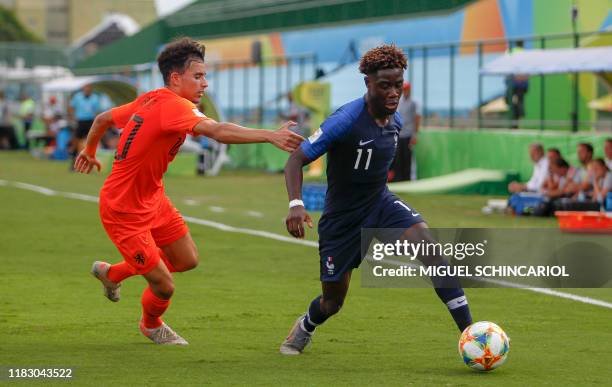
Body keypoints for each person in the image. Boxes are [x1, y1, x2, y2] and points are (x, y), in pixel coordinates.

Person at [74, 37, 303, 345]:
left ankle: (112, 274)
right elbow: (218, 131)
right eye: (198, 76)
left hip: (153, 199)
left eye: (204, 76)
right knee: (164, 286)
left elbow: (103, 120)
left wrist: (89, 151)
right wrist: (269, 136)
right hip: (123, 211)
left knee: (187, 260)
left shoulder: (151, 98)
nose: (204, 83)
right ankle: (151, 324)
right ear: (175, 78)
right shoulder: (174, 106)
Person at [279, 45, 472, 355]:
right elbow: (295, 161)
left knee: (432, 251)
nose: (394, 92)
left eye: (398, 84)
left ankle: (472, 335)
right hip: (342, 221)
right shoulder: (345, 120)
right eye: (385, 85)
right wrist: (295, 204)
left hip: (380, 204)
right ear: (368, 83)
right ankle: (306, 325)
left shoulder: (395, 123)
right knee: (332, 302)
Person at [391, 81, 420, 181]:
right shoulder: (399, 102)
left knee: (408, 159)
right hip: (399, 135)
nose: (406, 91)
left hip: (408, 135)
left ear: (410, 90)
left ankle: (408, 180)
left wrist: (415, 135)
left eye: (407, 89)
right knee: (398, 159)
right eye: (404, 89)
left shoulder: (414, 103)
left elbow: (417, 118)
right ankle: (399, 180)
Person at [69, 84, 101, 166]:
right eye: (86, 87)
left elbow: (97, 111)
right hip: (80, 121)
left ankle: (90, 163)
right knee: (76, 142)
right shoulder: (77, 97)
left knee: (90, 142)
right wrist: (73, 117)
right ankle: (74, 162)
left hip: (90, 121)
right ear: (83, 88)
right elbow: (71, 107)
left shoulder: (95, 98)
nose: (87, 89)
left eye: (89, 87)